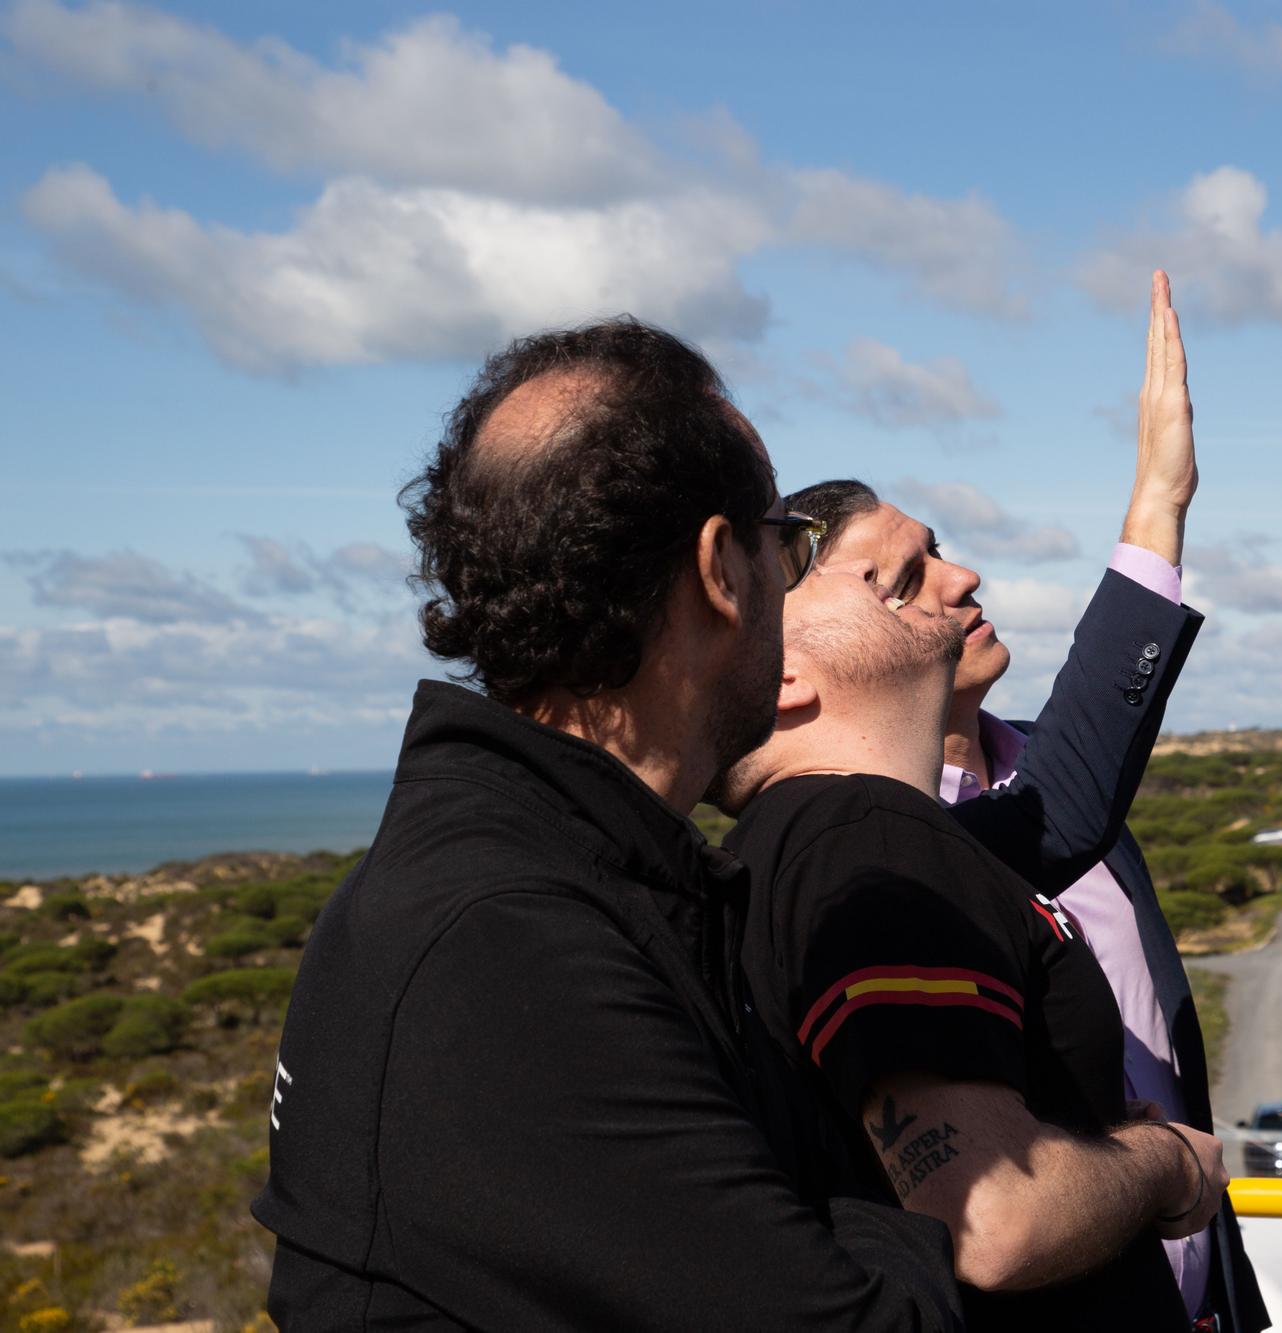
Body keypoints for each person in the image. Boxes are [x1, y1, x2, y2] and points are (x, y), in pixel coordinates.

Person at [253, 320, 961, 1331]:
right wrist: (891, 1213)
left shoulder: (562, 876)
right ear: (720, 566)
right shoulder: (504, 937)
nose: (785, 583)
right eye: (785, 547)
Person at [785, 271, 1266, 1333]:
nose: (962, 581)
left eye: (940, 552)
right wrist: (1155, 500)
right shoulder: (863, 857)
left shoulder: (985, 797)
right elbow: (1070, 801)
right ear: (782, 674)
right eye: (901, 580)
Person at [715, 567, 1220, 1331]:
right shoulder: (867, 831)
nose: (957, 576)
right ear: (786, 676)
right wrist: (1165, 1164)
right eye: (878, 580)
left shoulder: (793, 843)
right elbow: (992, 1222)